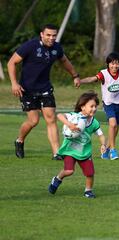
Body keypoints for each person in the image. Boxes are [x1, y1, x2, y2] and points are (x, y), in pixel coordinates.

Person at [7, 24, 81, 160]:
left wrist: (75, 75)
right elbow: (11, 62)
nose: (51, 38)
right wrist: (14, 83)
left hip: (45, 88)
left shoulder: (57, 48)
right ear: (42, 34)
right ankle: (19, 140)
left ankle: (56, 153)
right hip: (27, 89)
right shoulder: (30, 46)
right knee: (33, 121)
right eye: (48, 35)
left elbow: (64, 61)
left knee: (51, 119)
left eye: (54, 35)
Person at [48, 91, 106, 198]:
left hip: (85, 152)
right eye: (91, 106)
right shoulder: (74, 117)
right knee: (69, 171)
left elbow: (101, 134)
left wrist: (103, 145)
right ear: (83, 107)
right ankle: (57, 179)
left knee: (90, 173)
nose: (94, 108)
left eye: (95, 106)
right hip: (70, 150)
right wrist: (69, 125)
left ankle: (88, 191)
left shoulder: (94, 122)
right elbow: (59, 115)